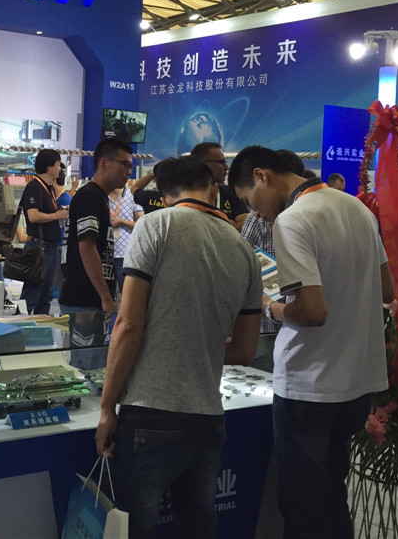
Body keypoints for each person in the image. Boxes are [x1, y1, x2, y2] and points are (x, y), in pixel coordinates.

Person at [229, 145, 393, 539]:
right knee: (332, 494)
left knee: (302, 505)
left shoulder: (293, 219)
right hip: (356, 384)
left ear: (262, 176)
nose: (256, 213)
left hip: (309, 385)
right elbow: (386, 289)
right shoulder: (357, 208)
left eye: (250, 200)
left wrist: (270, 307)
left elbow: (312, 312)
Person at [96, 156, 262, 537]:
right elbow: (244, 351)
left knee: (133, 527)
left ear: (164, 195)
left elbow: (128, 325)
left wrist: (106, 408)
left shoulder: (155, 226)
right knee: (199, 526)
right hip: (208, 417)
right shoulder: (243, 248)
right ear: (212, 188)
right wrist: (197, 345)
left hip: (150, 413)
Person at [240, 149, 306, 373]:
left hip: (293, 322)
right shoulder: (258, 217)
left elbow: (313, 312)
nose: (256, 211)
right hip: (268, 325)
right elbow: (245, 260)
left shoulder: (301, 217)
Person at [59, 139, 133, 315]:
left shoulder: (98, 196)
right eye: (124, 165)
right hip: (84, 301)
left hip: (89, 300)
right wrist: (106, 298)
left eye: (130, 166)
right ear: (104, 163)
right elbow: (87, 248)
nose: (128, 172)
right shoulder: (90, 196)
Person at [18, 149, 68, 315]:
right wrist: (56, 215)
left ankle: (41, 326)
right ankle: (20, 324)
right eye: (57, 165)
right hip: (39, 247)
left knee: (46, 296)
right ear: (49, 167)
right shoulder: (34, 187)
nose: (59, 169)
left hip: (50, 247)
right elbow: (33, 216)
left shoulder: (49, 188)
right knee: (31, 293)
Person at [191, 142, 249, 228]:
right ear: (202, 164)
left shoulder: (231, 192)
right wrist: (229, 223)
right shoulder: (184, 194)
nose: (226, 167)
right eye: (221, 162)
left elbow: (247, 224)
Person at [108, 182, 144, 292]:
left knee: (126, 291)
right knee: (105, 293)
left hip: (125, 253)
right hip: (105, 253)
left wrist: (121, 222)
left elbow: (141, 224)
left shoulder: (132, 196)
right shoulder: (102, 195)